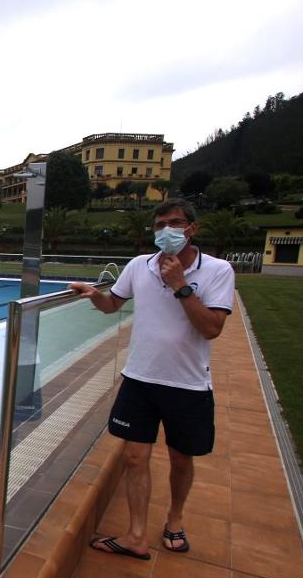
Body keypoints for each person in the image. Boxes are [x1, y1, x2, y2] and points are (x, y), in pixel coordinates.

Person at [67, 198, 235, 559]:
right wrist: (94, 295)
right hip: (140, 379)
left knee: (180, 460)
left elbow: (212, 328)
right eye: (159, 226)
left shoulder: (218, 270)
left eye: (174, 223)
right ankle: (136, 535)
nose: (165, 232)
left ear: (193, 228)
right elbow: (114, 304)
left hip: (187, 384)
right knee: (133, 458)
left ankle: (174, 520)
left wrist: (180, 284)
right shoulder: (138, 266)